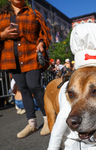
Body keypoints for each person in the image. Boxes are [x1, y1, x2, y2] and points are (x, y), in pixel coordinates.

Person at [0, 0, 51, 138]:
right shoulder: (1, 15)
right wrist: (3, 35)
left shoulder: (34, 13)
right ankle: (32, 124)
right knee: (23, 89)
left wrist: (41, 43)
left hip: (31, 55)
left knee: (35, 86)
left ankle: (48, 120)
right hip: (11, 59)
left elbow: (44, 33)